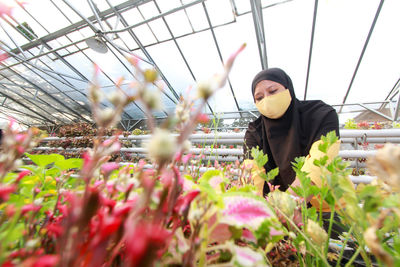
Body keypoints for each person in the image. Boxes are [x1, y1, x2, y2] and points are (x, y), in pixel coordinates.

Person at [243, 68, 351, 238]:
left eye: (272, 91)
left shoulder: (320, 114)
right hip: (280, 213)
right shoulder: (254, 131)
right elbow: (252, 175)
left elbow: (319, 165)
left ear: (288, 89)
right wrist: (256, 215)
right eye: (259, 97)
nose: (267, 100)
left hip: (327, 208)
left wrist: (289, 204)